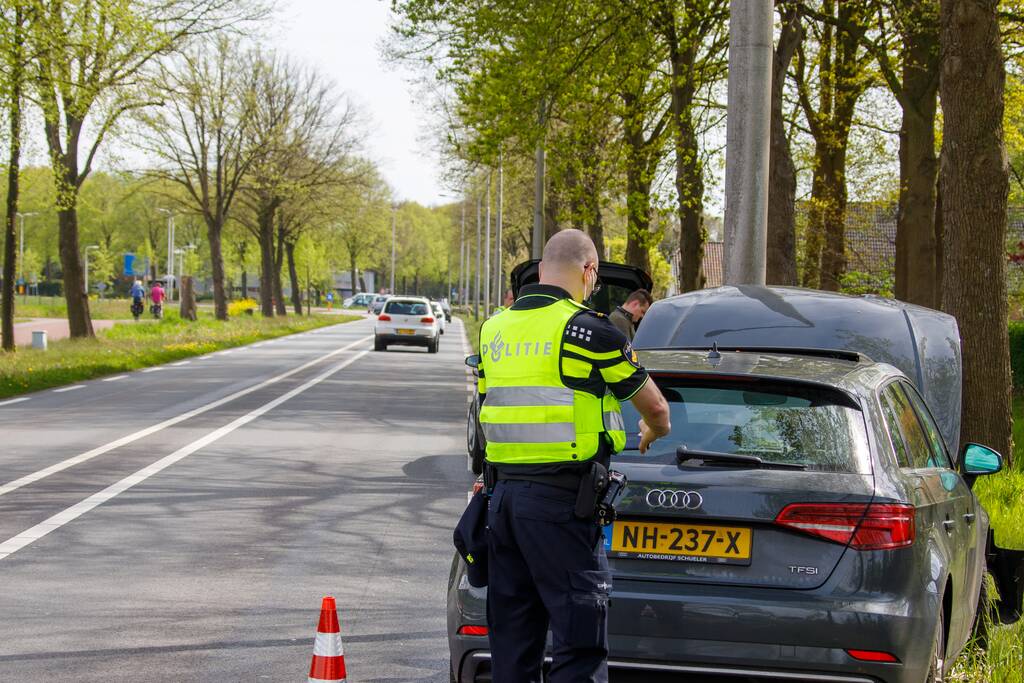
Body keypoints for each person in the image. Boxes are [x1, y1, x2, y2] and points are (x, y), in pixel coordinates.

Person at [477, 229, 671, 683]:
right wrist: (653, 430)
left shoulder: (493, 329)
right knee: (578, 646)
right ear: (589, 272)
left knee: (513, 643)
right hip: (561, 507)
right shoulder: (589, 331)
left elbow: (488, 409)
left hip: (501, 503)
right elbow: (656, 407)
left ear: (541, 269)